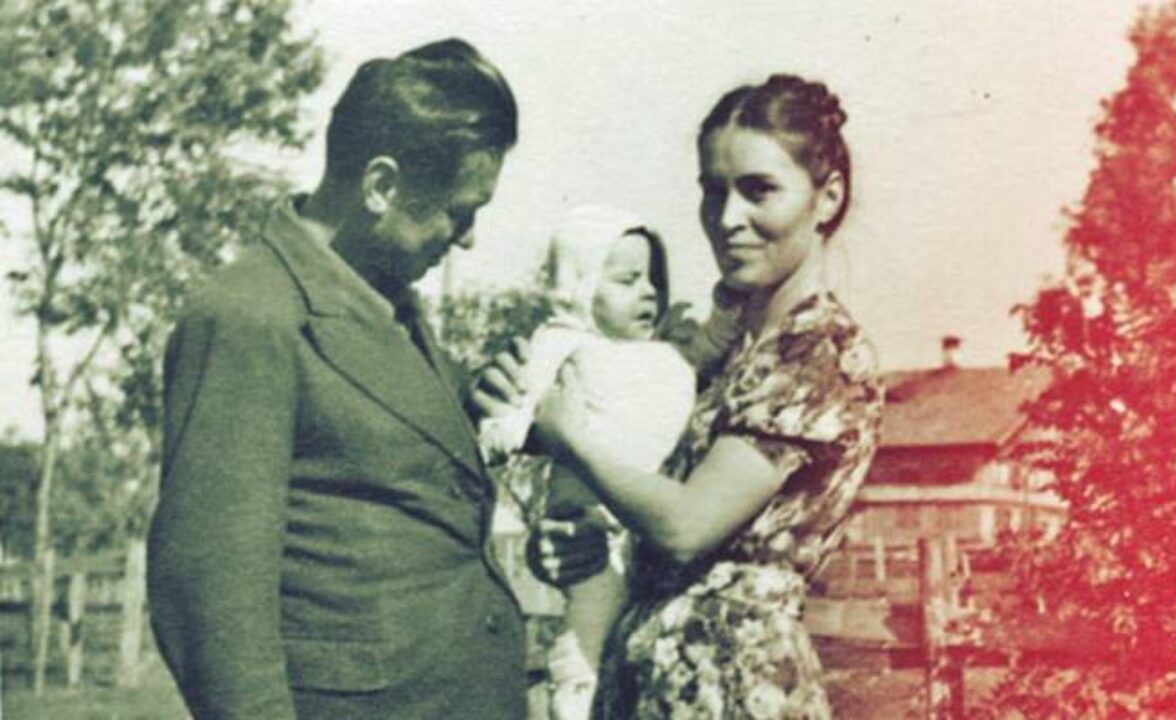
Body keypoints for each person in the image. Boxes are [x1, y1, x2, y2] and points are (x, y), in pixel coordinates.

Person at [146, 39, 527, 719]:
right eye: (459, 210)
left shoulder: (382, 301)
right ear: (381, 187)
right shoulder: (251, 316)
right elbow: (210, 600)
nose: (467, 237)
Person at [530, 75, 885, 718]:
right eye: (713, 191)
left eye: (759, 190)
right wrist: (580, 547)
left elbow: (686, 525)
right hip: (646, 679)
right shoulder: (723, 354)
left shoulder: (818, 352)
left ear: (827, 197)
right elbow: (642, 501)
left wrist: (566, 435)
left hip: (734, 687)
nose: (727, 219)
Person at [480, 205, 700, 719]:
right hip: (590, 529)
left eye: (651, 279)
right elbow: (519, 407)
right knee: (587, 637)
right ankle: (573, 700)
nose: (648, 292)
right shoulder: (561, 345)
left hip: (648, 524)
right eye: (627, 280)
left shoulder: (661, 359)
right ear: (580, 287)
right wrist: (505, 430)